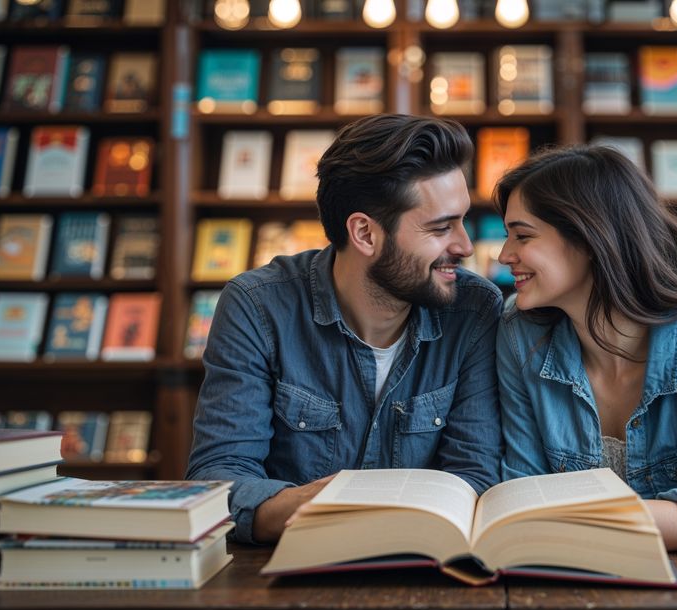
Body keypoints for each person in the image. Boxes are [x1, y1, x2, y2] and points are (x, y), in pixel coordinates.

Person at [187, 114, 503, 544]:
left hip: (428, 568)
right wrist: (311, 508)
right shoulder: (257, 307)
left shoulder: (474, 309)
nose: (465, 246)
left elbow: (474, 475)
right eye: (441, 227)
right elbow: (219, 478)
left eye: (463, 221)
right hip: (286, 570)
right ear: (365, 233)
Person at [494, 145, 677, 554]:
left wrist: (575, 522)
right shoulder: (520, 334)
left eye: (523, 236)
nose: (504, 255)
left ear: (588, 237)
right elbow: (520, 493)